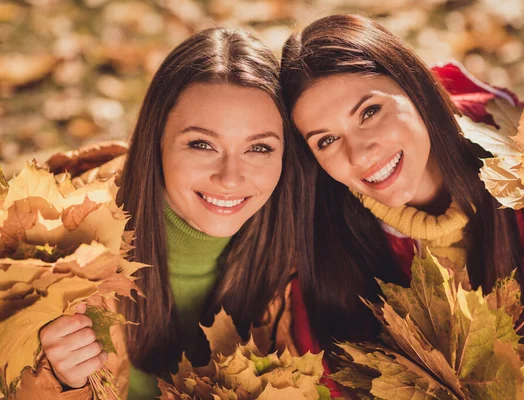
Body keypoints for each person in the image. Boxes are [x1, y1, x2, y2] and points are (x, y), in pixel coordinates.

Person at [280, 14, 524, 398]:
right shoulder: (325, 252)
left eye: (369, 112)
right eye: (327, 140)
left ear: (414, 86)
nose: (360, 153)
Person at [18, 27, 309, 399]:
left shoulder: (300, 253)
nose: (230, 178)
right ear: (155, 140)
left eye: (259, 148)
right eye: (202, 144)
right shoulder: (56, 243)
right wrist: (59, 383)